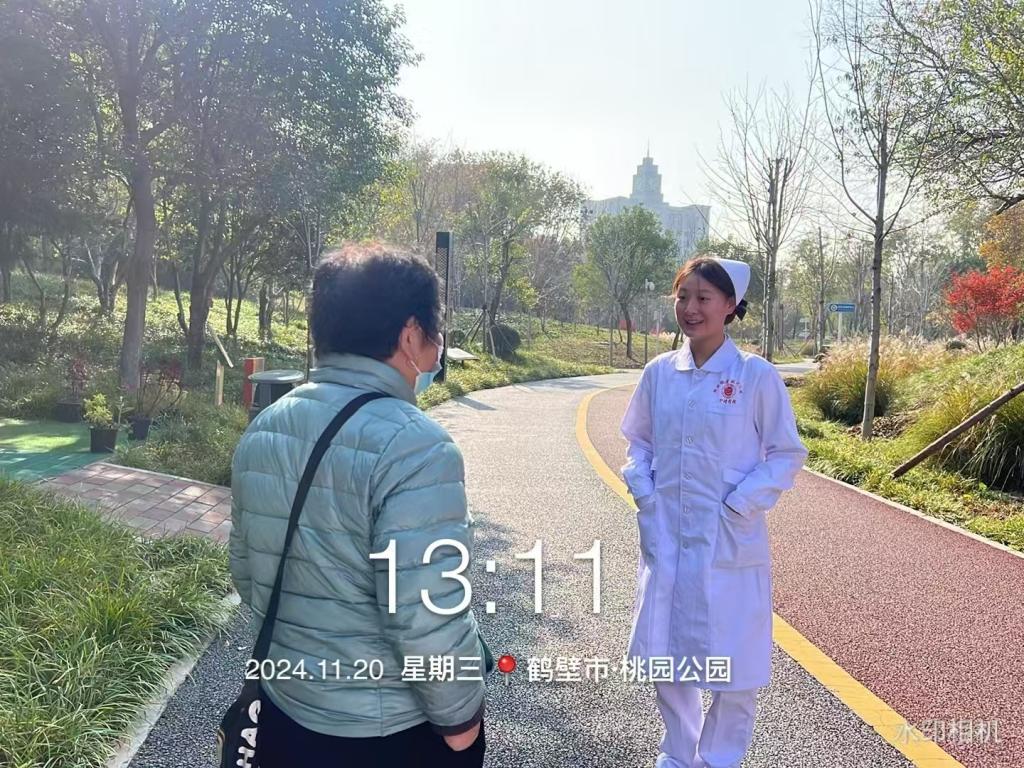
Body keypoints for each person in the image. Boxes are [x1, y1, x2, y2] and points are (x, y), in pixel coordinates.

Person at [229, 242, 487, 766]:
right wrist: (462, 721)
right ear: (411, 335)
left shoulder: (265, 428)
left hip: (285, 714)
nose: (437, 346)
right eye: (435, 331)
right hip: (385, 732)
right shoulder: (417, 446)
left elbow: (246, 571)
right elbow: (426, 614)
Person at [620, 256, 807, 768]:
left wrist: (739, 504)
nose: (690, 308)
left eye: (703, 298)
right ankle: (679, 754)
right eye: (683, 297)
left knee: (734, 667)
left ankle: (719, 759)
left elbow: (786, 454)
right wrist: (644, 491)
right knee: (667, 654)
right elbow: (638, 442)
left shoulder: (754, 376)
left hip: (728, 539)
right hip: (668, 534)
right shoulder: (659, 373)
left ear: (730, 305)